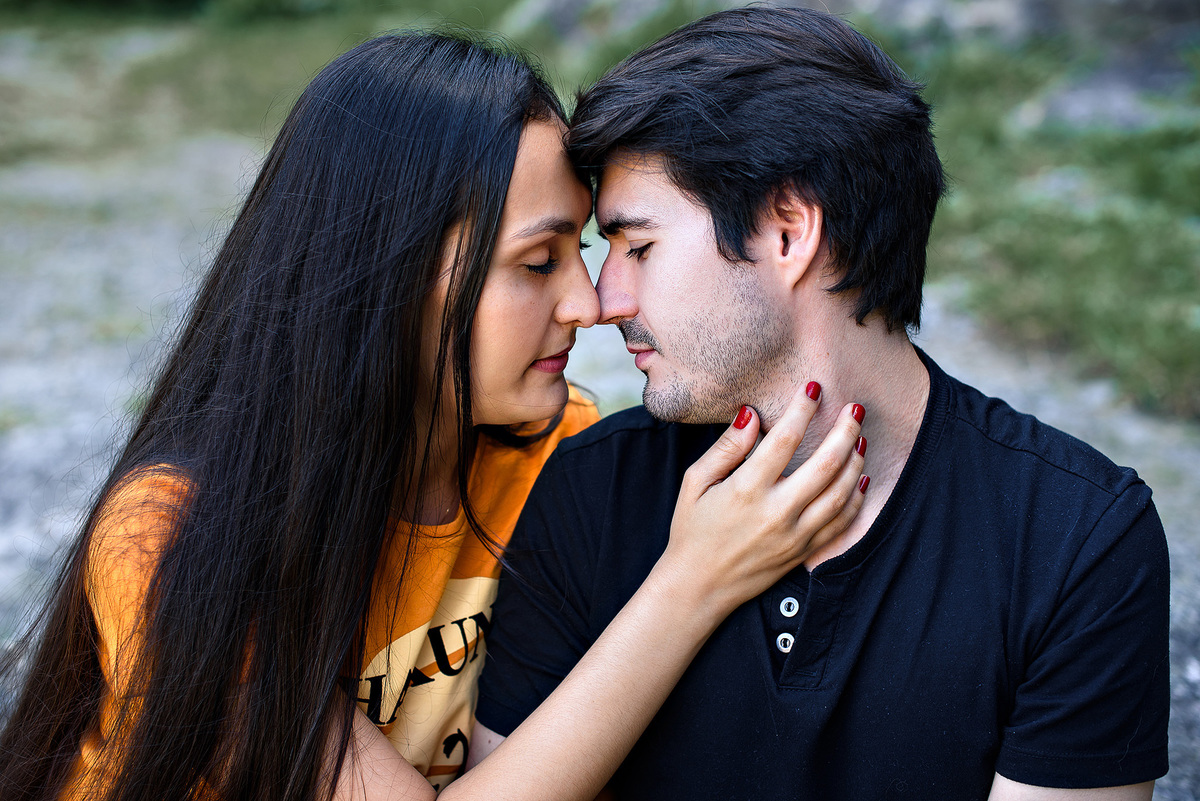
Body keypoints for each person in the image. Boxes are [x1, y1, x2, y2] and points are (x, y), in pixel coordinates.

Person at [0, 31, 872, 801]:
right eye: (537, 262)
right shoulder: (168, 538)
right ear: (389, 277)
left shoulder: (559, 453)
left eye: (588, 249)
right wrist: (693, 581)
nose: (587, 302)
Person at [472, 7, 1170, 799]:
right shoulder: (590, 490)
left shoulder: (1074, 541)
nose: (602, 300)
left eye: (638, 247)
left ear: (788, 231)